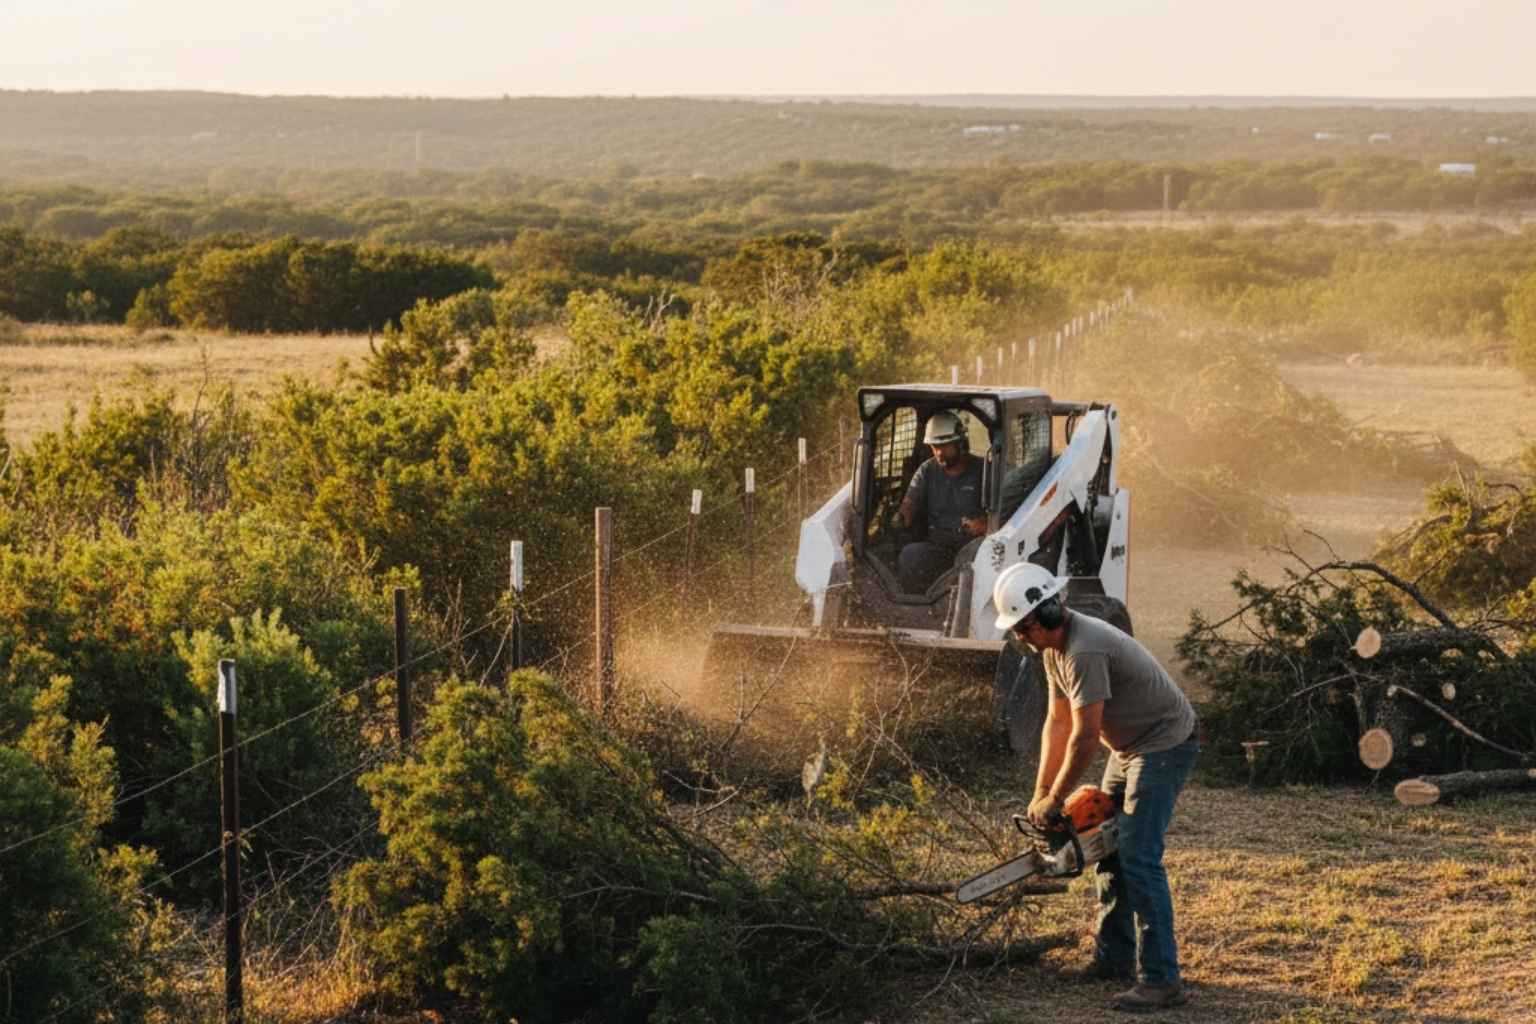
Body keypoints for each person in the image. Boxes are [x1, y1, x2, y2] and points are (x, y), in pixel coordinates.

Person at [992, 563, 1199, 1014]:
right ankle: (1114, 959)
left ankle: (1163, 981)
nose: (1021, 638)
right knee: (1106, 846)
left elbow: (1085, 738)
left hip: (1163, 743)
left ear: (1047, 614)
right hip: (1128, 749)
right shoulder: (1053, 651)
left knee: (1140, 857)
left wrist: (1057, 796)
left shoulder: (1084, 650)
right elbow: (1058, 722)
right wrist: (1041, 791)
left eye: (1023, 628)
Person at [897, 411, 986, 592]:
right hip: (939, 547)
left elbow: (1004, 511)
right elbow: (909, 503)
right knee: (910, 555)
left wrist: (985, 523)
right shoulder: (927, 470)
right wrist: (900, 517)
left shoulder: (984, 470)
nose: (938, 452)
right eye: (934, 446)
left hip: (974, 548)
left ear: (960, 443)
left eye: (944, 446)